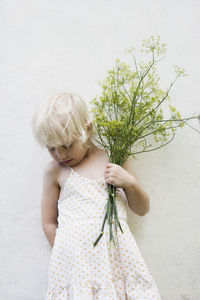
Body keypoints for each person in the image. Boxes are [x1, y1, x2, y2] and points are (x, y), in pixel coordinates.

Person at [31, 91, 161, 299]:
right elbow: (48, 222)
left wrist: (128, 182)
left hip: (115, 259)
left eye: (66, 146)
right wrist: (65, 251)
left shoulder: (114, 158)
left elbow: (142, 208)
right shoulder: (55, 171)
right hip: (76, 264)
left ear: (87, 130)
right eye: (51, 149)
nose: (60, 155)